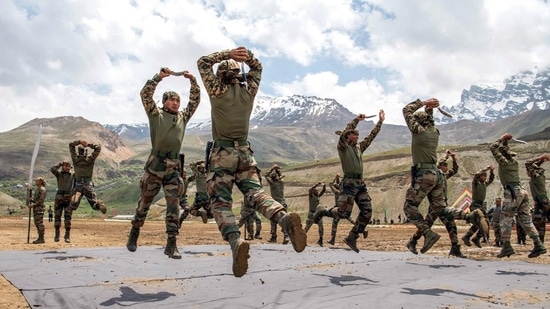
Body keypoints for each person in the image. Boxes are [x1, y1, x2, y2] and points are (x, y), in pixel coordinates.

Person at [197, 46, 306, 277]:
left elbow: (203, 62)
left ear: (221, 75)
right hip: (246, 153)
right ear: (239, 75)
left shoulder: (216, 90)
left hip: (222, 155)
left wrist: (227, 54)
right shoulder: (249, 93)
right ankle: (284, 219)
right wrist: (248, 58)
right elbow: (257, 67)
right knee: (256, 194)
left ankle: (236, 242)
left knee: (220, 203)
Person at [126, 68, 200, 259]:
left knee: (173, 205)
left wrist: (193, 82)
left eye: (178, 101)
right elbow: (145, 94)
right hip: (155, 164)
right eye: (172, 100)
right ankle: (135, 231)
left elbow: (195, 102)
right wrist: (158, 77)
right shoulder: (155, 114)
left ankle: (171, 244)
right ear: (165, 101)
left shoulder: (183, 117)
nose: (175, 103)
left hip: (174, 166)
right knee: (145, 202)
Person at [313, 110, 385, 253]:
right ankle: (323, 211)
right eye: (354, 134)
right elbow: (346, 131)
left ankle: (352, 237)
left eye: (358, 135)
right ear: (348, 136)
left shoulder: (359, 148)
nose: (357, 136)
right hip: (349, 183)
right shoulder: (343, 147)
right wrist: (356, 120)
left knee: (367, 211)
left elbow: (371, 137)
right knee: (343, 213)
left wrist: (380, 122)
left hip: (360, 184)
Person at [406, 150, 481, 258]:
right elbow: (439, 163)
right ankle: (413, 241)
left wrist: (454, 159)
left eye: (446, 166)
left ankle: (455, 248)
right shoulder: (436, 174)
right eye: (444, 166)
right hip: (434, 206)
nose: (446, 168)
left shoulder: (444, 176)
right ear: (440, 167)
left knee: (451, 225)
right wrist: (446, 156)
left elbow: (455, 170)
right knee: (426, 226)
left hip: (443, 204)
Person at [489, 133, 546, 258]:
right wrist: (506, 142)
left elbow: (493, 147)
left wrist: (502, 138)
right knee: (525, 220)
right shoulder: (513, 161)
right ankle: (538, 245)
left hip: (512, 193)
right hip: (521, 191)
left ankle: (506, 247)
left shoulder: (503, 162)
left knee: (505, 219)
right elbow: (504, 150)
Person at [69, 140, 107, 215]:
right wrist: (88, 144)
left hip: (78, 184)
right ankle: (99, 205)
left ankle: (75, 197)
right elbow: (98, 148)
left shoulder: (75, 159)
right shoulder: (90, 159)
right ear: (86, 152)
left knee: (73, 207)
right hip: (88, 184)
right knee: (93, 204)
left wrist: (79, 142)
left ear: (78, 152)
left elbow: (71, 145)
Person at [461, 166, 495, 248]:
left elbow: (491, 179)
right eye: (484, 176)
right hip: (475, 205)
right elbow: (476, 175)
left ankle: (474, 237)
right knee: (479, 223)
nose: (485, 178)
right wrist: (486, 169)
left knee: (485, 223)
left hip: (481, 205)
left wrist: (492, 172)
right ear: (480, 177)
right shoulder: (476, 183)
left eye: (485, 176)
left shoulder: (484, 184)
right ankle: (469, 237)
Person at [525, 154, 550, 242]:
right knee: (539, 224)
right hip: (543, 201)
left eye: (528, 171)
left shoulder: (536, 177)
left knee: (538, 224)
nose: (527, 172)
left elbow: (528, 163)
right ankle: (539, 245)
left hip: (541, 202)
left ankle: (539, 244)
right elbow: (536, 166)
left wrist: (540, 157)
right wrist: (542, 161)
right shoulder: (538, 175)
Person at [51, 160, 75, 243]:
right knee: (57, 216)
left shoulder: (73, 175)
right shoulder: (59, 174)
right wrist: (60, 163)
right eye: (65, 166)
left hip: (68, 197)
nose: (66, 167)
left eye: (68, 166)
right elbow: (52, 169)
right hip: (59, 197)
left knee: (68, 217)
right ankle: (57, 234)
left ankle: (67, 234)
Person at [265, 165, 290, 244]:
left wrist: (272, 168)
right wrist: (278, 171)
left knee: (273, 220)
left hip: (276, 204)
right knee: (283, 220)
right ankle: (286, 235)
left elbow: (266, 175)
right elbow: (280, 176)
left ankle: (274, 237)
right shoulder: (281, 182)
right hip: (283, 203)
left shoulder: (272, 184)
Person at [304, 182, 326, 247]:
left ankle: (321, 240)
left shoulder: (317, 196)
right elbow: (310, 189)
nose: (317, 191)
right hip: (311, 214)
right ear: (313, 192)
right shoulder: (311, 196)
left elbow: (323, 191)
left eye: (317, 191)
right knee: (307, 228)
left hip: (317, 214)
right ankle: (302, 239)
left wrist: (324, 185)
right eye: (316, 190)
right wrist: (316, 185)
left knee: (321, 227)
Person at [28, 177, 47, 244]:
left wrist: (33, 205)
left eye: (37, 181)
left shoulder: (42, 189)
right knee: (37, 223)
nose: (35, 182)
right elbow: (37, 199)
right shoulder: (38, 189)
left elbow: (41, 200)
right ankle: (40, 237)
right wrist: (32, 200)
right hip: (36, 208)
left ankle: (41, 238)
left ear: (40, 182)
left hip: (39, 208)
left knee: (39, 223)